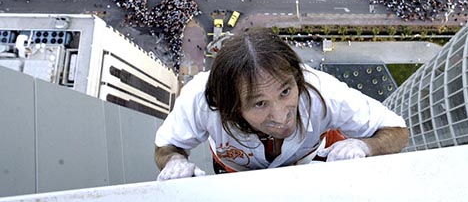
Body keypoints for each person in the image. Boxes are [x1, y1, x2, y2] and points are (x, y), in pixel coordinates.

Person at [154, 27, 409, 180]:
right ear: (229, 106)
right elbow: (167, 146)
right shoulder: (200, 97)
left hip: (311, 163)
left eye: (286, 91)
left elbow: (397, 130)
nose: (281, 116)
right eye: (259, 104)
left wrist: (365, 146)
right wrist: (174, 162)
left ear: (298, 78)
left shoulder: (322, 89)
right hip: (233, 172)